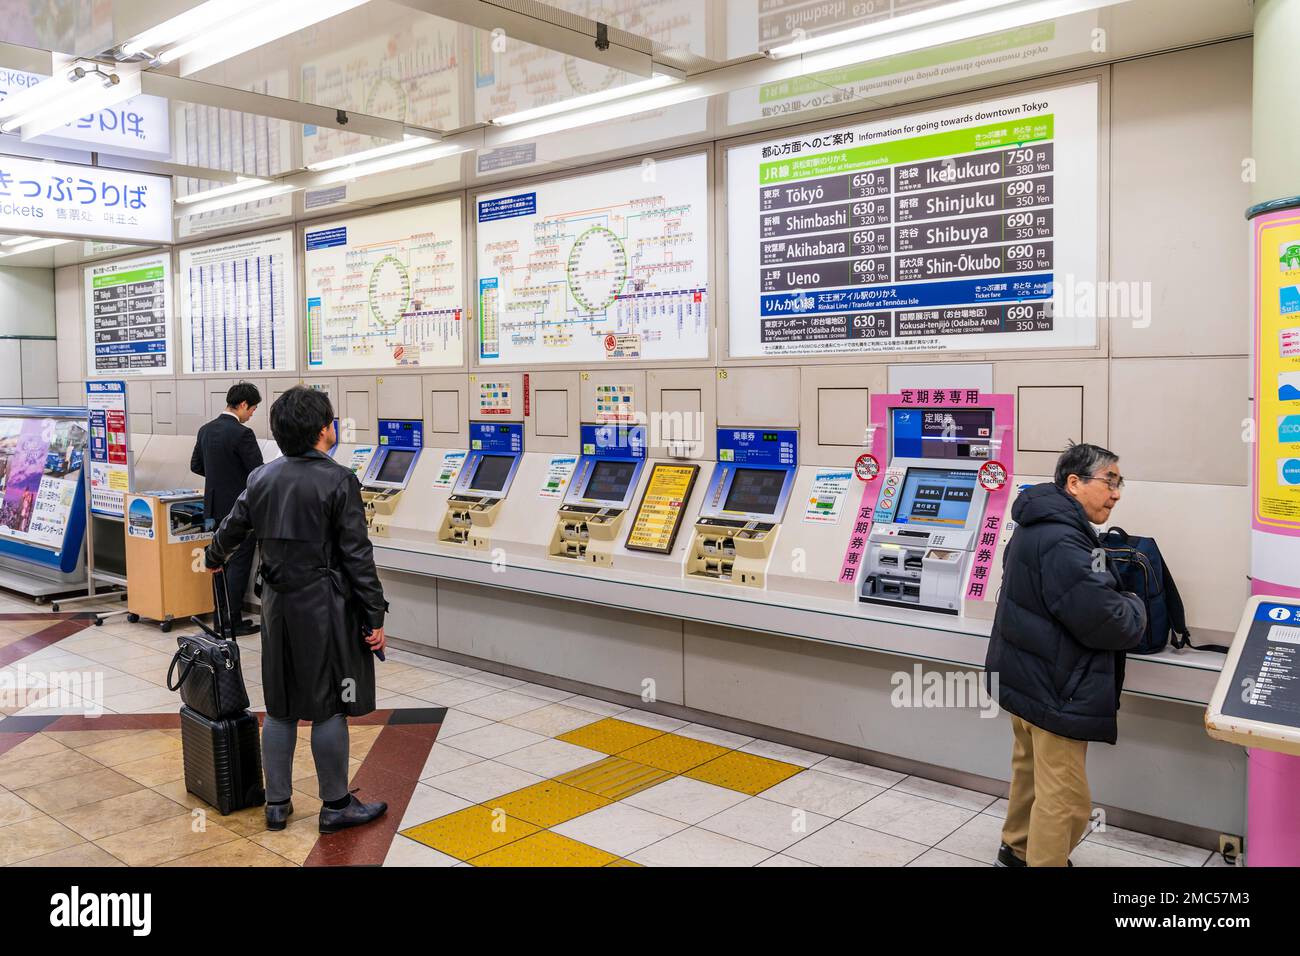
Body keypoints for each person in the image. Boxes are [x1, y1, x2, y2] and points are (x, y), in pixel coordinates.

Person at [204, 385, 389, 834]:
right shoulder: (338, 480)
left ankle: (277, 804)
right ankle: (336, 805)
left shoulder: (262, 478)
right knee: (328, 706)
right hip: (326, 608)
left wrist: (212, 557)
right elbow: (357, 557)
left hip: (276, 606)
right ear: (324, 430)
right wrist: (375, 616)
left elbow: (230, 532)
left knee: (282, 706)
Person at [985, 443, 1147, 867]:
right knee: (1069, 802)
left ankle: (1017, 848)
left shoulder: (1038, 522)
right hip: (1057, 687)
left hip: (1025, 678)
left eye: (1119, 483)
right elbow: (1110, 620)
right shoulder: (1064, 538)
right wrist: (1135, 604)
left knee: (1030, 774)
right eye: (1109, 482)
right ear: (1074, 483)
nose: (1116, 494)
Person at [191, 382, 264, 636]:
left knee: (218, 562)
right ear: (243, 405)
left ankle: (219, 617)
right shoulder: (243, 434)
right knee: (239, 564)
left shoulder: (206, 430)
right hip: (240, 510)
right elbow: (258, 473)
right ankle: (231, 621)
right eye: (252, 409)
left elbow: (195, 465)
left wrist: (217, 477)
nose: (252, 414)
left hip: (213, 508)